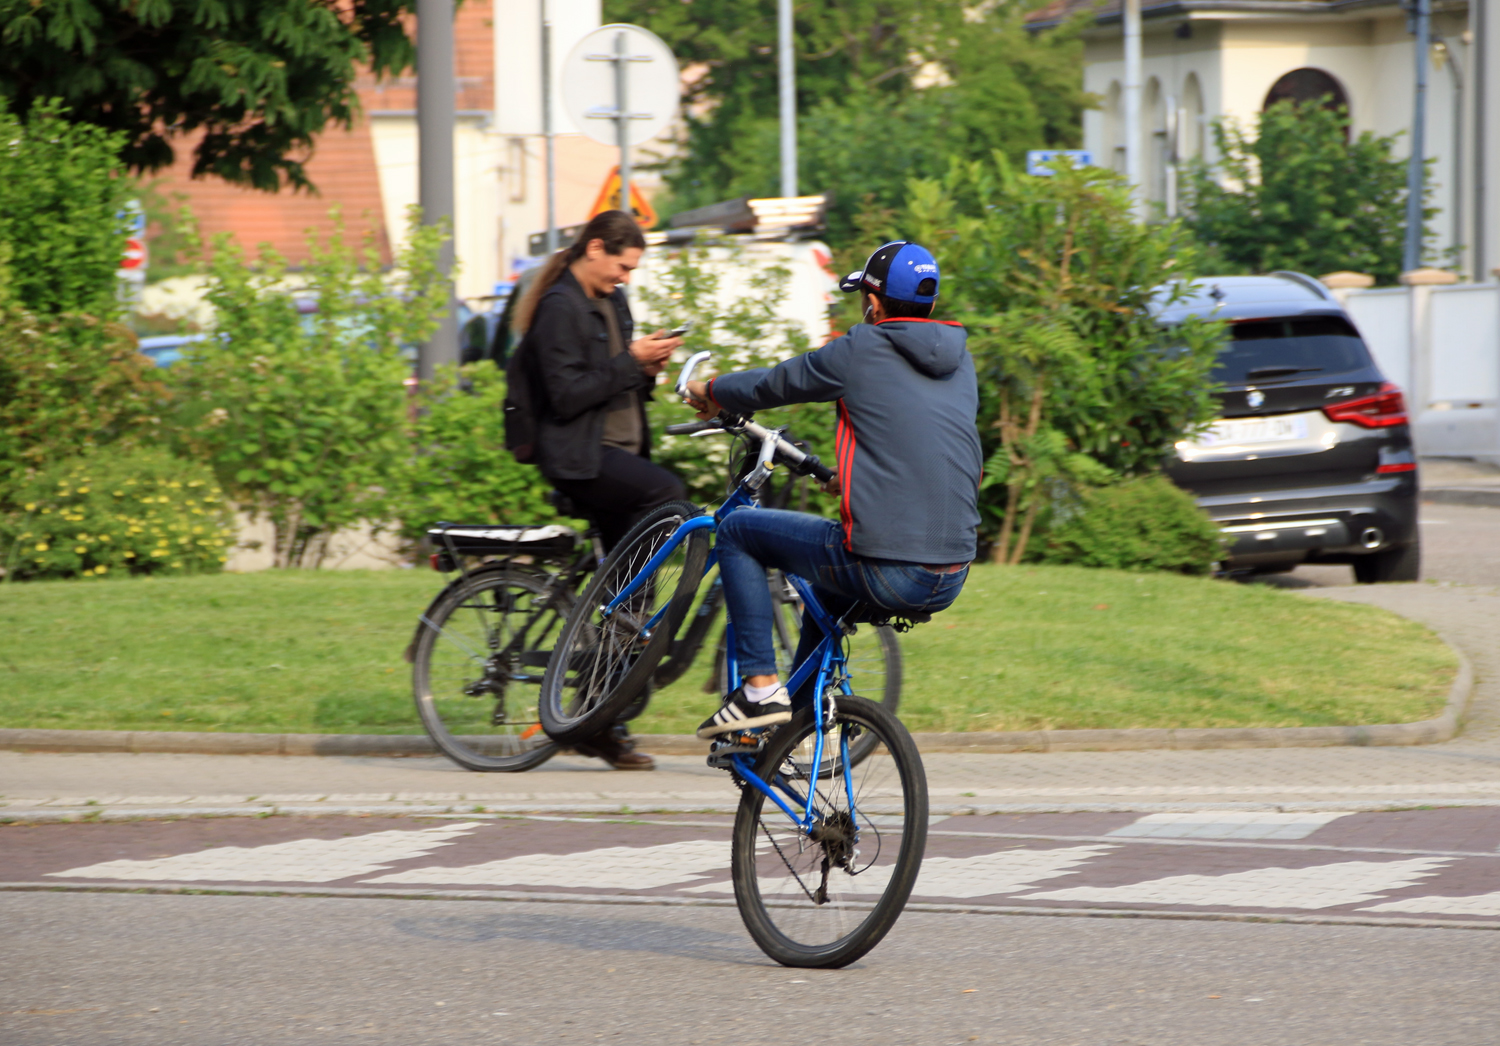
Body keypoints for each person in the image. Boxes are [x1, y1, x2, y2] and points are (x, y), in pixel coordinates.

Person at [683, 240, 982, 739]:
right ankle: (791, 724)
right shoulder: (960, 362)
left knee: (736, 531)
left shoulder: (863, 347)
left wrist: (709, 392)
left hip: (891, 567)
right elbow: (922, 444)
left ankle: (758, 692)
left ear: (874, 302)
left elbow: (775, 384)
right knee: (826, 592)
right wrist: (858, 481)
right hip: (952, 572)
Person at [513, 210, 686, 768]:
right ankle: (623, 635)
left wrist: (648, 367)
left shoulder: (613, 302)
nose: (626, 277)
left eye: (632, 268)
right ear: (594, 248)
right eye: (621, 265)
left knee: (633, 594)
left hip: (616, 456)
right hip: (580, 461)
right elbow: (566, 396)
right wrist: (628, 363)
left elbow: (614, 378)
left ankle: (594, 721)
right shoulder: (559, 307)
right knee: (667, 498)